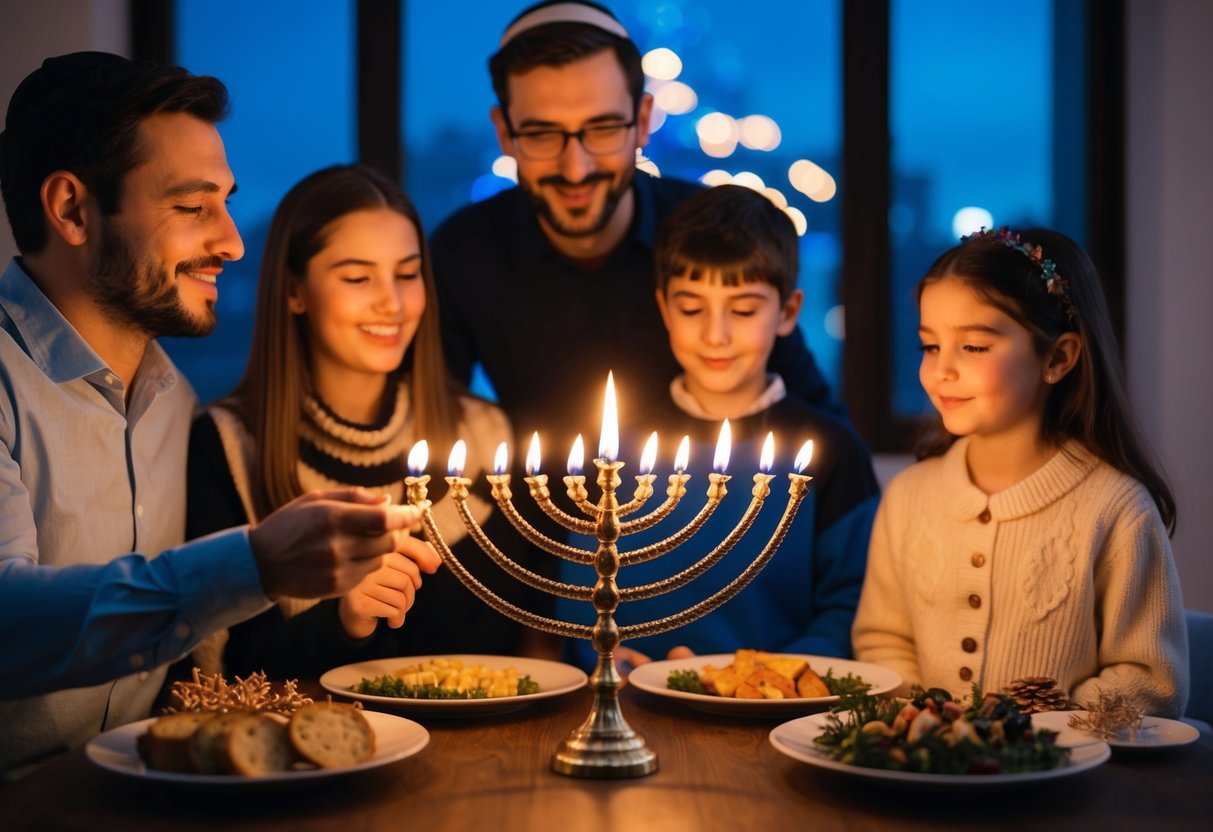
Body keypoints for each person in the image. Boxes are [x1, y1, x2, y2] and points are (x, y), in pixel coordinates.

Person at [0, 53, 416, 781]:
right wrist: (256, 563)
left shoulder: (172, 405)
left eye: (225, 202)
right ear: (72, 209)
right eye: (193, 208)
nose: (232, 241)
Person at [185, 164, 552, 680]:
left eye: (407, 274)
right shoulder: (224, 448)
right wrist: (344, 619)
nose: (393, 303)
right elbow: (225, 669)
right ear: (294, 291)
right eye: (358, 277)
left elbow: (524, 637)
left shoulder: (484, 436)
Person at [430, 0, 840, 455]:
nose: (576, 167)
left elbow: (816, 425)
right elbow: (429, 420)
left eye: (602, 128)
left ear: (643, 121)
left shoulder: (711, 232)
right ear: (505, 132)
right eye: (543, 134)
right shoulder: (464, 251)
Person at [852, 227, 1188, 716]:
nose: (941, 370)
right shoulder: (908, 497)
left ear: (1057, 357)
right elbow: (883, 639)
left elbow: (1151, 683)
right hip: (930, 780)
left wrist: (1040, 729)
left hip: (1069, 784)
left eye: (974, 347)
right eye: (929, 346)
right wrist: (930, 722)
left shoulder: (1115, 507)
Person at [554, 185, 880, 671]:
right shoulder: (616, 452)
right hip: (633, 711)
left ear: (788, 312)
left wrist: (748, 679)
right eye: (691, 308)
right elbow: (579, 598)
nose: (716, 334)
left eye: (744, 310)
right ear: (664, 308)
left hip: (772, 717)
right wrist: (609, 661)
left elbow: (852, 608)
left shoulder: (830, 451)